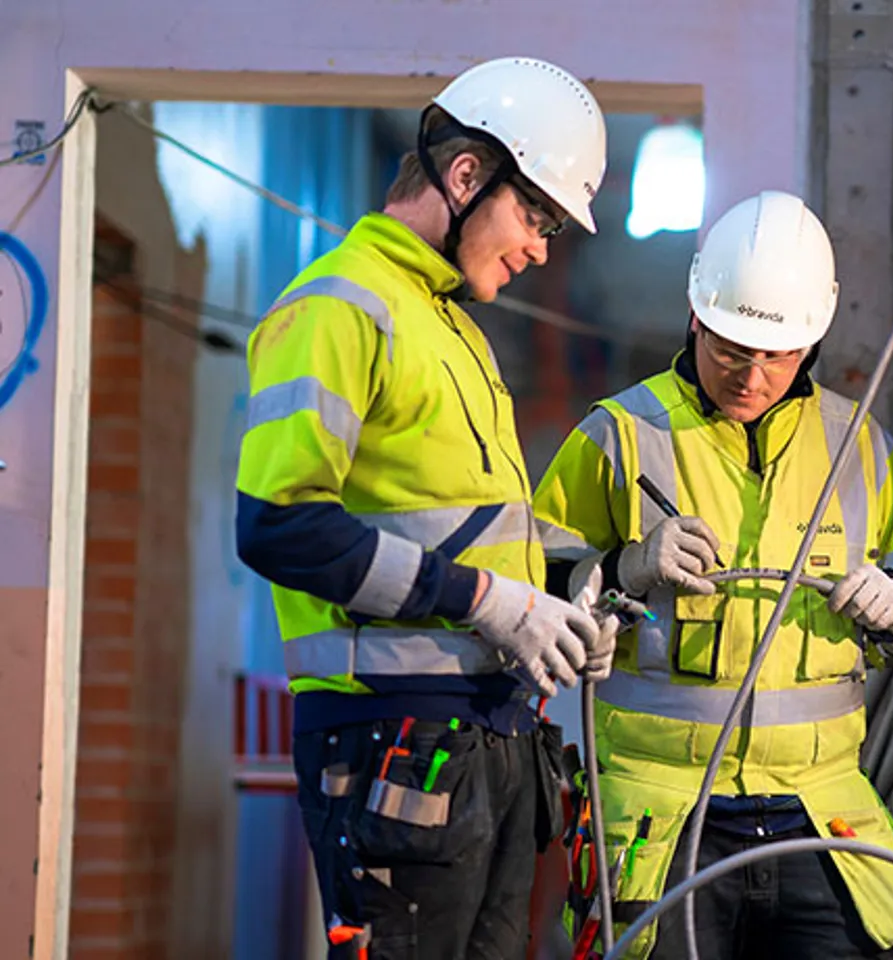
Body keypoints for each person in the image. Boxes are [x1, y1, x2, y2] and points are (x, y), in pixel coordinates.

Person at [234, 57, 618, 960]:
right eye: (537, 215)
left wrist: (570, 598)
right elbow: (279, 523)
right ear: (465, 175)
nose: (540, 249)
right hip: (391, 741)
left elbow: (472, 531)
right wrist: (491, 603)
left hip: (486, 739)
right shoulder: (341, 307)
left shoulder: (449, 326)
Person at [533, 190, 893, 959]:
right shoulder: (619, 437)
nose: (751, 377)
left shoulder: (858, 448)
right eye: (731, 349)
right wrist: (625, 565)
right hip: (661, 815)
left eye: (778, 356)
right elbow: (530, 591)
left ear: (813, 343)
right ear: (697, 316)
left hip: (821, 810)